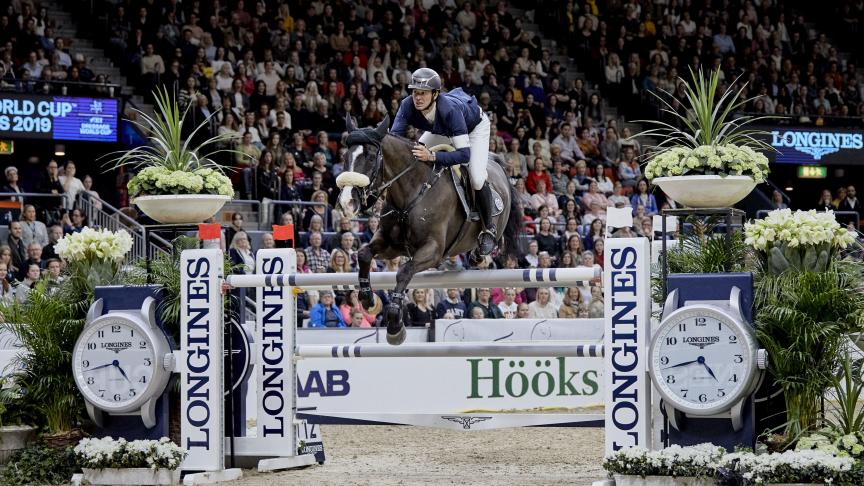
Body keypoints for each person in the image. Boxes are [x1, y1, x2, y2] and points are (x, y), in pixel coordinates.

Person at [390, 68, 498, 255]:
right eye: (415, 92)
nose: (417, 98)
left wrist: (432, 156)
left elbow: (464, 155)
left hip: (473, 129)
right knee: (414, 157)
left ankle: (489, 228)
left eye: (423, 93)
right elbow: (393, 142)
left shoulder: (449, 110)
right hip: (441, 129)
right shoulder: (407, 105)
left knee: (477, 178)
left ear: (435, 94)